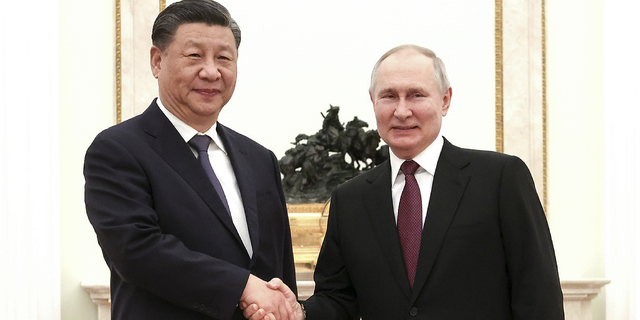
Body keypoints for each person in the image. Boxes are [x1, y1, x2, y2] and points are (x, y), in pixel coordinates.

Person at [244, 44, 564, 320]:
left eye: (416, 95)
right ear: (373, 101)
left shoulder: (500, 178)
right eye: (389, 96)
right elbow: (338, 298)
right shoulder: (350, 199)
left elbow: (537, 293)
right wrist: (300, 312)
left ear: (445, 100)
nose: (401, 110)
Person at [83, 1, 297, 319]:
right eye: (194, 56)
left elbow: (278, 270)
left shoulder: (259, 158)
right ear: (157, 61)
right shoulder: (117, 150)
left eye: (224, 58)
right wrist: (242, 286)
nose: (211, 71)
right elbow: (136, 251)